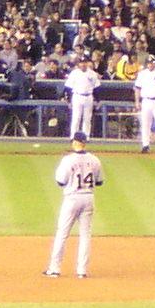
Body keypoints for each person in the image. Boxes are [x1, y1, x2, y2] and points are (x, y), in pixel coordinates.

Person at [45, 134, 103, 278]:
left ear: (75, 142)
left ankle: (54, 269)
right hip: (88, 197)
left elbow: (60, 181)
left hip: (72, 198)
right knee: (85, 235)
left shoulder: (68, 160)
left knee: (62, 233)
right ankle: (82, 271)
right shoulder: (95, 159)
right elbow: (99, 181)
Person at [65, 59, 101, 141]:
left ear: (87, 64)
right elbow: (68, 87)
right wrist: (69, 100)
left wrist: (97, 100)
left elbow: (96, 87)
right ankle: (73, 136)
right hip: (77, 96)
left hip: (88, 96)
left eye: (84, 63)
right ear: (79, 64)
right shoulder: (74, 73)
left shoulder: (92, 73)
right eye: (81, 63)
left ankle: (86, 136)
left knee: (87, 118)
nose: (83, 64)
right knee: (76, 117)